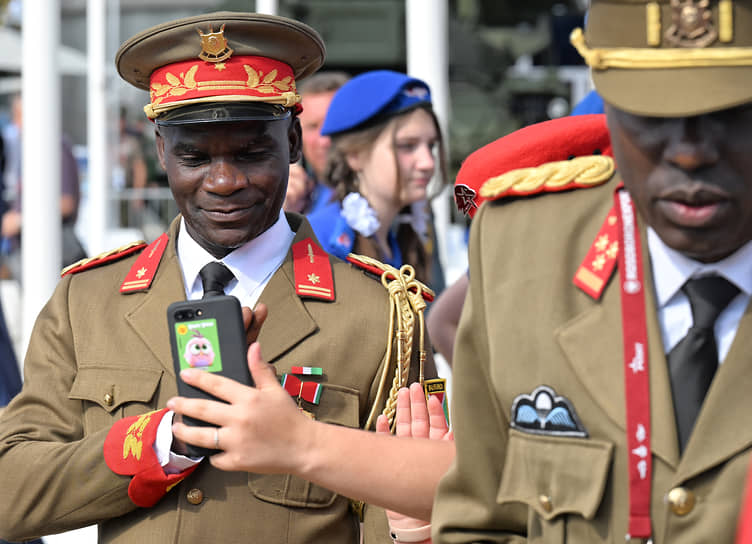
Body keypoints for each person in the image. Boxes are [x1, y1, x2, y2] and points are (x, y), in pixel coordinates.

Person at [0, 12, 437, 544]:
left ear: (294, 142)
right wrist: (164, 441)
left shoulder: (382, 315)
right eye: (194, 157)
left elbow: (408, 509)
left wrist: (414, 528)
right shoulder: (88, 300)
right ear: (160, 150)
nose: (224, 182)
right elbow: (11, 492)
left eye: (251, 153)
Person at [433, 1, 752, 542]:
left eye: (733, 113)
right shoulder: (522, 251)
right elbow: (480, 520)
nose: (692, 154)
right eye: (652, 115)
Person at [308, 70, 448, 285]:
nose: (427, 162)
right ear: (354, 155)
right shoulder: (320, 239)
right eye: (407, 146)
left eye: (431, 145)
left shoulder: (395, 238)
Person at [0, 93, 86, 279]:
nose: (16, 124)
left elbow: (65, 203)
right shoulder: (42, 147)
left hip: (52, 253)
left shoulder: (54, 147)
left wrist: (18, 220)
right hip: (37, 250)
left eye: (19, 116)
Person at [284, 70, 349, 214]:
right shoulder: (294, 196)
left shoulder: (379, 194)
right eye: (313, 126)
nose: (324, 140)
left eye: (333, 124)